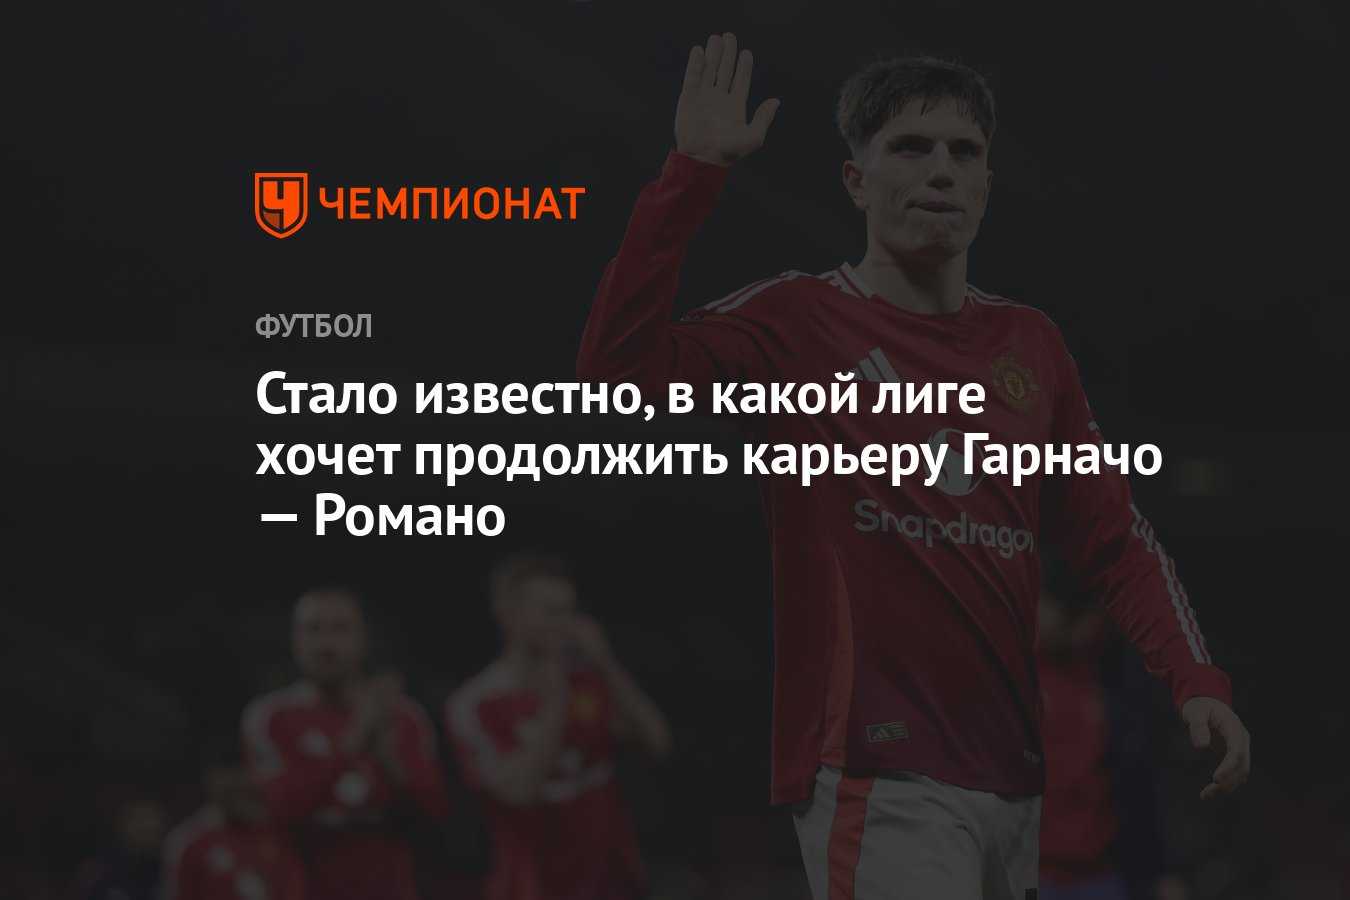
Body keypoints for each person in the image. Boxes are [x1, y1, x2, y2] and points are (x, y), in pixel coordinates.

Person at [575, 34, 1251, 900]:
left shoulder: (1031, 345)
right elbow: (613, 377)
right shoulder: (798, 319)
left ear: (985, 189)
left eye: (963, 153)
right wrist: (691, 175)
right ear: (856, 181)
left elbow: (1115, 540)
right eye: (909, 147)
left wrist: (1197, 681)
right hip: (875, 770)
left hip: (1012, 777)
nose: (940, 171)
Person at [445, 551, 670, 900]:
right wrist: (557, 700)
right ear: (508, 615)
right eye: (550, 611)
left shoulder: (592, 680)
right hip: (529, 889)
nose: (564, 624)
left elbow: (657, 745)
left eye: (569, 611)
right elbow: (518, 791)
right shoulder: (474, 704)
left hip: (612, 885)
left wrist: (607, 665)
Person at [241, 588, 448, 900]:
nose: (326, 644)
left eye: (340, 628)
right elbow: (280, 808)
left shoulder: (404, 716)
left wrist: (385, 757)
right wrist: (354, 740)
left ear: (363, 638)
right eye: (314, 630)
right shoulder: (270, 717)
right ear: (295, 641)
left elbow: (435, 811)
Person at [1038, 559, 1190, 900]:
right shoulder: (1009, 672)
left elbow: (1139, 779)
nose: (1065, 619)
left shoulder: (1117, 676)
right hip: (1030, 870)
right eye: (1059, 604)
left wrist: (1160, 871)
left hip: (1105, 874)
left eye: (1078, 609)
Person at [161, 736, 304, 900]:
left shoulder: (286, 827)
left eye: (243, 772)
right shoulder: (188, 842)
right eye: (228, 776)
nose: (240, 783)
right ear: (209, 780)